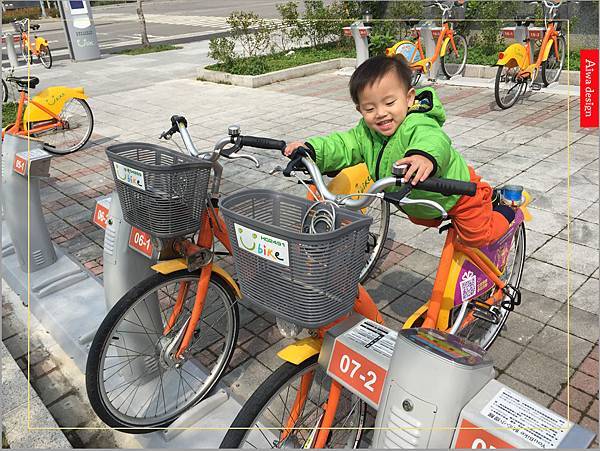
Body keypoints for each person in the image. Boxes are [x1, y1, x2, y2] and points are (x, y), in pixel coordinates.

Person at [284, 54, 514, 248]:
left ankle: (506, 211)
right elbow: (343, 144)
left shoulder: (417, 122)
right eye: (370, 108)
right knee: (420, 218)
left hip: (458, 193)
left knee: (478, 238)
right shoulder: (366, 132)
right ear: (360, 109)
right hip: (421, 204)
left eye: (389, 103)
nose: (381, 113)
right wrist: (311, 150)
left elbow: (433, 140)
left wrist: (423, 157)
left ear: (409, 98)